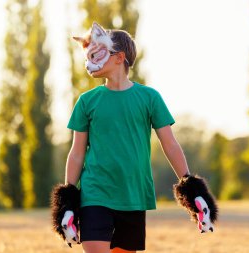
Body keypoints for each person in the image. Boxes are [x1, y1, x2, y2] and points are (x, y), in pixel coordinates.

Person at [64, 26, 191, 253]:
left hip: (133, 194)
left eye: (98, 53)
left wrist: (190, 184)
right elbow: (77, 152)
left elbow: (169, 144)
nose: (89, 62)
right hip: (95, 193)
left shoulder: (149, 98)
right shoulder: (86, 101)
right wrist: (67, 199)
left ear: (119, 57)